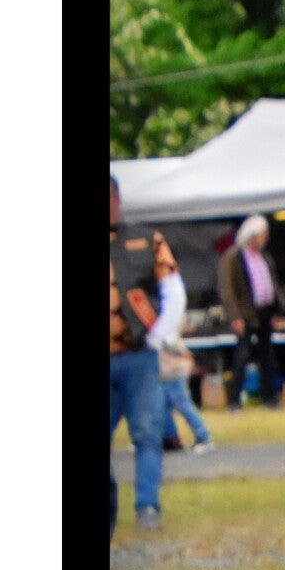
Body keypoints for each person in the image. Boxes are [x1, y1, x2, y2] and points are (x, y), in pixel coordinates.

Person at [110, 172, 184, 536]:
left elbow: (174, 293)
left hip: (139, 355)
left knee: (147, 432)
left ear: (117, 201)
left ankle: (147, 504)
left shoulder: (147, 240)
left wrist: (157, 337)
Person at [218, 214, 282, 407]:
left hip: (264, 312)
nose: (265, 238)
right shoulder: (233, 257)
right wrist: (235, 316)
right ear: (252, 236)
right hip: (245, 314)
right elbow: (227, 289)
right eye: (263, 234)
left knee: (267, 356)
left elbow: (272, 284)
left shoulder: (264, 257)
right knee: (242, 357)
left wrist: (277, 309)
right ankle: (234, 399)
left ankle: (269, 397)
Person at [159, 335, 215, 453]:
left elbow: (174, 344)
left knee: (183, 404)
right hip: (166, 371)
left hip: (173, 370)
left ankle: (204, 437)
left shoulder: (163, 331)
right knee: (164, 405)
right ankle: (171, 439)